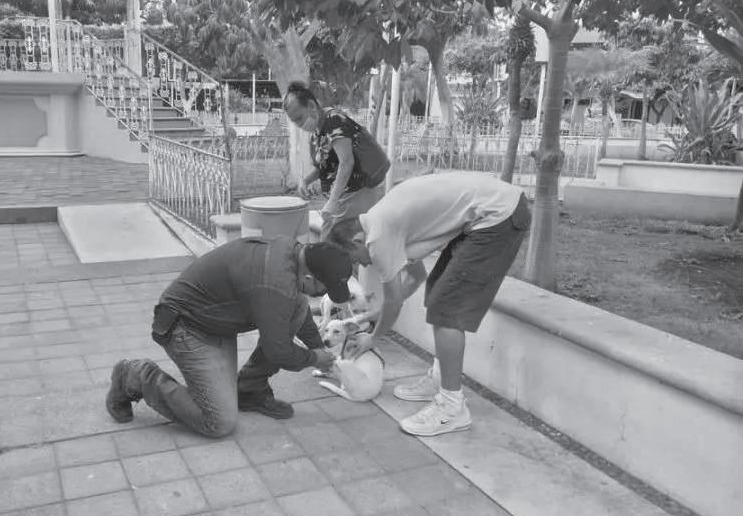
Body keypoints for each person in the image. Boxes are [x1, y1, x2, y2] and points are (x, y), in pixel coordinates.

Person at [329, 171, 531, 437]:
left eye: (355, 258)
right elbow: (416, 277)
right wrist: (378, 312)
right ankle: (440, 379)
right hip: (489, 211)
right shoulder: (381, 220)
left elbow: (394, 300)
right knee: (436, 292)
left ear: (357, 240)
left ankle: (452, 406)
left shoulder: (377, 237)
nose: (362, 264)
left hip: (497, 216)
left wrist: (373, 338)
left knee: (446, 311)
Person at [105, 237, 352, 437]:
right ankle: (135, 375)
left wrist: (318, 347)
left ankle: (249, 389)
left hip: (213, 322)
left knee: (296, 303)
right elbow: (279, 351)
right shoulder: (275, 283)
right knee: (218, 421)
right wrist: (314, 358)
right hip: (185, 326)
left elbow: (299, 310)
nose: (323, 295)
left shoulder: (292, 254)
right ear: (310, 277)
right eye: (325, 289)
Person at [283, 81, 383, 239]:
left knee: (330, 245)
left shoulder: (333, 120)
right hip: (343, 198)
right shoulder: (317, 132)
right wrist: (305, 181)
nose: (300, 125)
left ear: (311, 105)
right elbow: (324, 167)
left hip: (355, 194)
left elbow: (346, 162)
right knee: (343, 245)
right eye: (295, 121)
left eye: (300, 118)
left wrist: (332, 202)